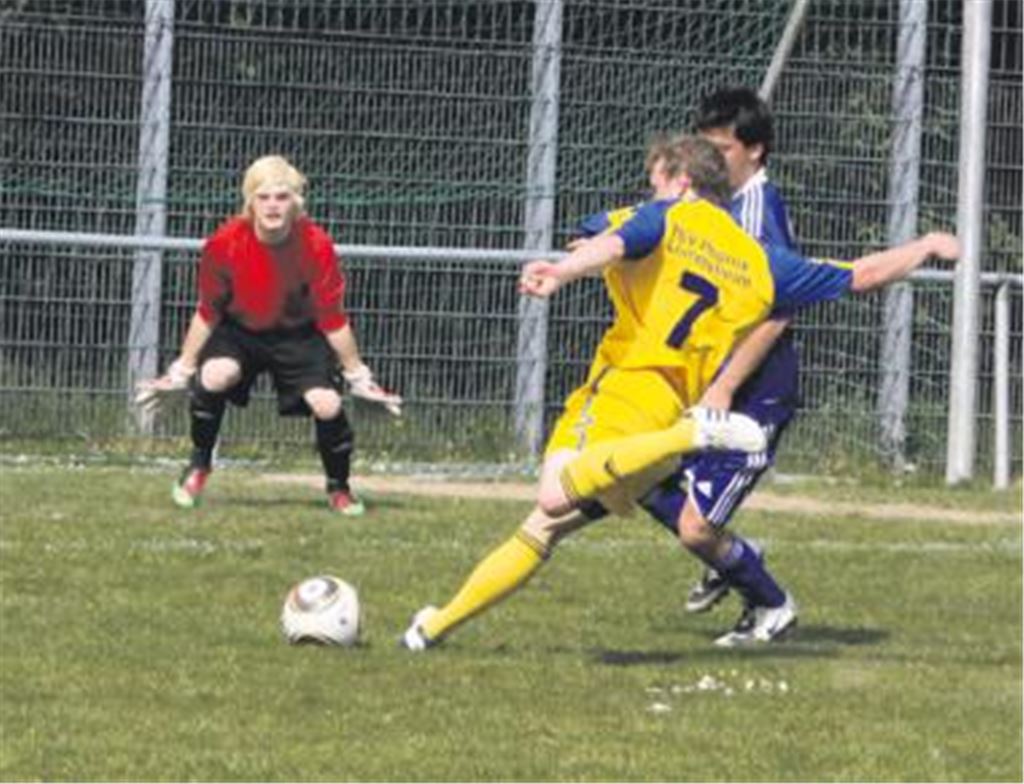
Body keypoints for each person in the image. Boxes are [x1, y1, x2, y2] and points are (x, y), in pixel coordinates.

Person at [401, 134, 958, 651]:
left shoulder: (668, 215)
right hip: (667, 412)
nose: (652, 194)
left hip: (626, 394)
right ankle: (431, 629)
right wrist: (927, 244)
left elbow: (614, 241)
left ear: (682, 182)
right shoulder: (760, 260)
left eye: (656, 183)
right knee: (543, 528)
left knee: (552, 496)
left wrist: (564, 270)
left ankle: (693, 436)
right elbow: (860, 275)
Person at [574, 86, 804, 646]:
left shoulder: (756, 215)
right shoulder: (703, 206)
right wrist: (594, 240)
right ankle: (732, 557)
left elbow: (776, 315)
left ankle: (770, 603)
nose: (711, 164)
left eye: (722, 151)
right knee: (640, 477)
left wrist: (724, 387)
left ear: (755, 151)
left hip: (752, 393)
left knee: (696, 527)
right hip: (698, 379)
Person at [134, 155, 401, 516]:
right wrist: (182, 369)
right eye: (263, 197)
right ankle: (198, 466)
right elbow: (209, 312)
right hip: (240, 332)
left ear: (296, 203)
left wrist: (358, 376)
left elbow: (332, 318)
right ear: (250, 202)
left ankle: (339, 488)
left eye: (282, 197)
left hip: (298, 336)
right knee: (215, 375)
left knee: (328, 404)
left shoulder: (316, 244)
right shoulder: (225, 243)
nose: (273, 205)